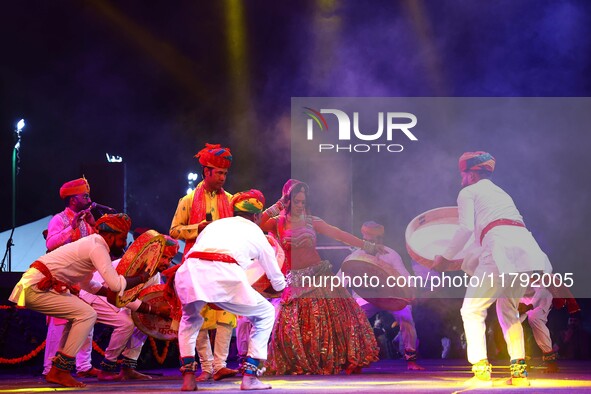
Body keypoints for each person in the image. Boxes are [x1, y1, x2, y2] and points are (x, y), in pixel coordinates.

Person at [433, 151, 552, 386]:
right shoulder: (501, 194)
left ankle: (480, 369)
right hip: (525, 251)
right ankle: (519, 373)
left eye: (463, 174)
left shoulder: (468, 192)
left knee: (471, 310)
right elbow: (487, 232)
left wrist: (444, 257)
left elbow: (466, 229)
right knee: (508, 310)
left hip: (499, 250)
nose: (461, 179)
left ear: (472, 174)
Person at [8, 213, 151, 388]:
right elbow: (115, 284)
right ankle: (61, 371)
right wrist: (141, 278)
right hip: (36, 286)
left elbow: (88, 284)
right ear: (111, 236)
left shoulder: (92, 244)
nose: (123, 245)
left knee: (80, 314)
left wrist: (112, 293)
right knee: (87, 314)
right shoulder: (97, 246)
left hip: (36, 286)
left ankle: (57, 370)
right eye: (122, 239)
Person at [261, 181, 380, 375]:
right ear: (288, 201)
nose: (300, 206)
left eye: (303, 202)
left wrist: (367, 246)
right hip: (296, 282)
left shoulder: (312, 221)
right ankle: (306, 362)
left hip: (320, 277)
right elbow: (256, 223)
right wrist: (277, 205)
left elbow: (339, 234)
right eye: (296, 201)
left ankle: (342, 360)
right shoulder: (277, 222)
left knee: (330, 323)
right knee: (292, 329)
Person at [175, 190, 286, 391]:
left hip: (189, 272)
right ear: (256, 216)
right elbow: (276, 277)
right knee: (266, 313)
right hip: (223, 274)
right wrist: (280, 289)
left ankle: (188, 377)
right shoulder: (256, 233)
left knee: (189, 319)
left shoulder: (215, 225)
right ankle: (251, 376)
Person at [169, 143, 238, 381]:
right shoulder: (188, 200)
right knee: (197, 314)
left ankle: (220, 365)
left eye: (225, 173)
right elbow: (174, 231)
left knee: (226, 314)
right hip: (197, 263)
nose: (222, 177)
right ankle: (206, 367)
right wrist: (197, 228)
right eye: (218, 173)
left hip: (223, 262)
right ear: (206, 172)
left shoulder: (230, 200)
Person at [78, 235, 179, 381]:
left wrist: (174, 329)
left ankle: (128, 368)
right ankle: (107, 368)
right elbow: (122, 298)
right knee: (126, 324)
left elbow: (151, 302)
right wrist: (155, 311)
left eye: (170, 259)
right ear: (154, 253)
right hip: (96, 294)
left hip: (115, 300)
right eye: (164, 257)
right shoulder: (134, 266)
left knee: (144, 321)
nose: (167, 263)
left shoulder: (154, 274)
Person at [346, 221, 424, 370]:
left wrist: (411, 292)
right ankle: (354, 361)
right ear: (365, 238)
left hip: (390, 296)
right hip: (365, 297)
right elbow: (339, 281)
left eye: (380, 238)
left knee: (406, 315)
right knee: (352, 319)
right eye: (373, 239)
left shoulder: (391, 254)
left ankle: (411, 359)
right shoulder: (354, 257)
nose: (377, 242)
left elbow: (405, 276)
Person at [42, 177, 98, 377]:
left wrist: (95, 226)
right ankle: (50, 368)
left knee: (87, 319)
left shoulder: (86, 220)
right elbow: (51, 244)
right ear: (73, 200)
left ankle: (84, 366)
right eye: (85, 196)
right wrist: (72, 227)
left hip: (81, 278)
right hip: (61, 278)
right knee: (59, 324)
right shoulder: (59, 219)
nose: (89, 198)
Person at [518, 286, 558, 373]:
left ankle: (551, 361)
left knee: (534, 318)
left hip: (542, 295)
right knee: (514, 323)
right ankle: (520, 361)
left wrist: (529, 306)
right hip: (522, 295)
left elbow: (544, 286)